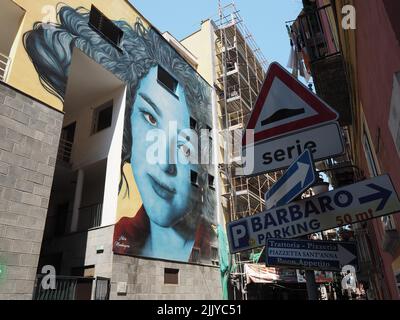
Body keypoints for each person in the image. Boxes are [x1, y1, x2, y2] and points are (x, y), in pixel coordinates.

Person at [23, 5, 216, 262]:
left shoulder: (212, 248)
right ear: (130, 129)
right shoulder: (119, 237)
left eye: (183, 146)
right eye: (149, 118)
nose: (165, 161)